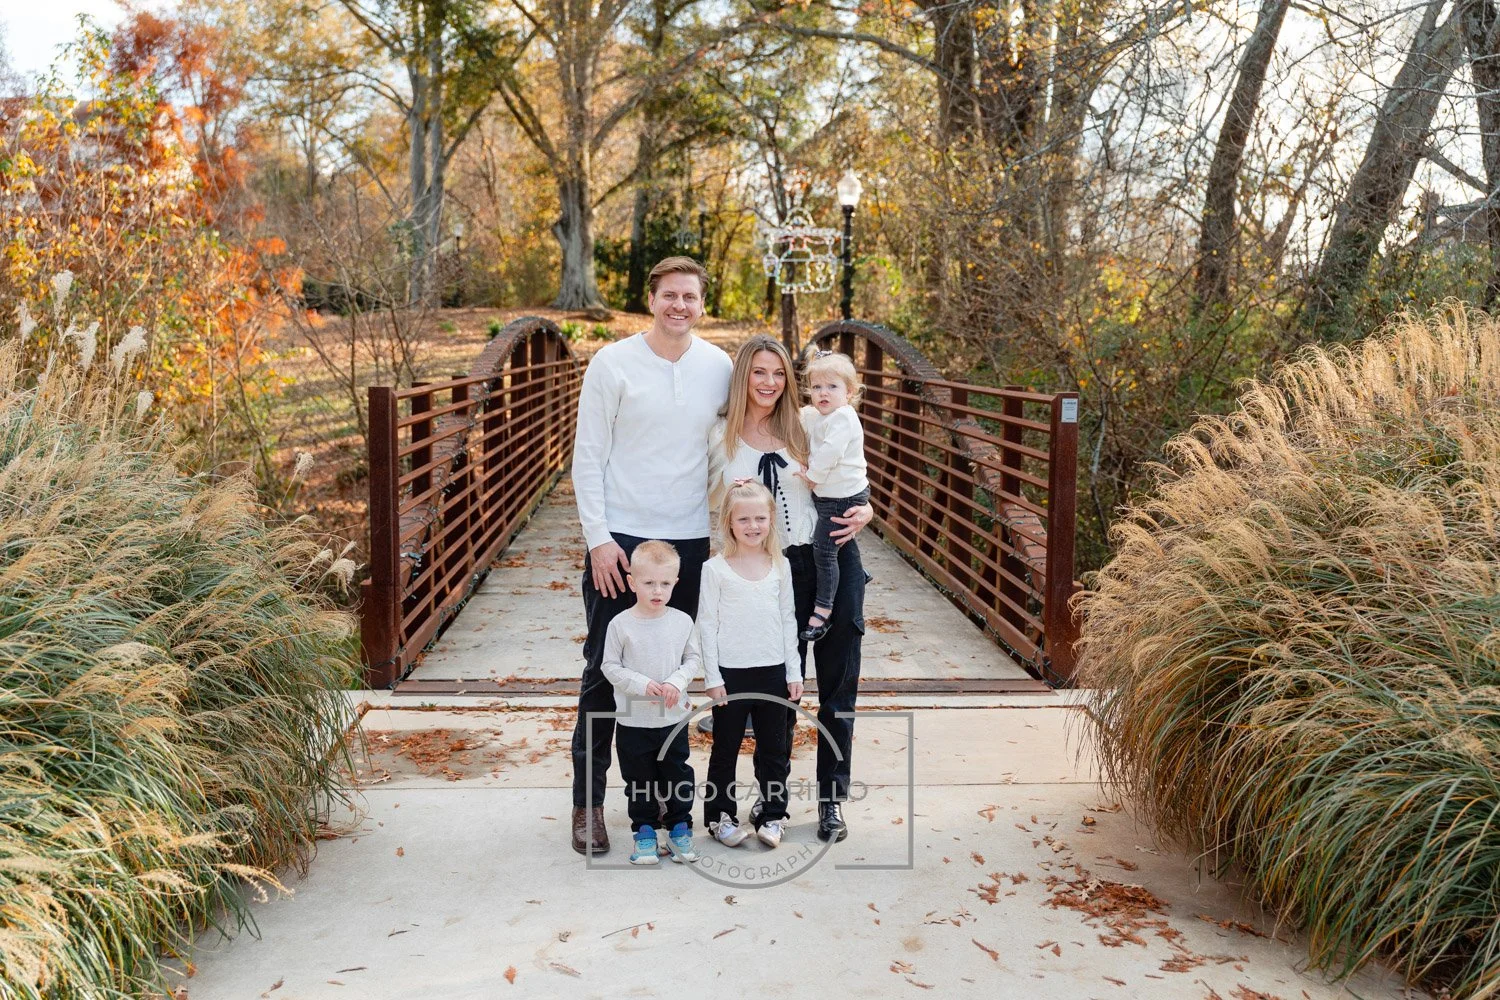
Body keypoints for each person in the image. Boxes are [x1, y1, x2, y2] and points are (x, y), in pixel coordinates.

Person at [569, 256, 732, 856]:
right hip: (622, 540)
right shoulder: (612, 364)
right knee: (601, 676)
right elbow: (587, 457)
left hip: (688, 539)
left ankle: (661, 802)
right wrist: (598, 540)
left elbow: (755, 430)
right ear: (652, 299)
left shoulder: (718, 367)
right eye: (669, 295)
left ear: (701, 303)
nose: (679, 306)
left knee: (673, 674)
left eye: (690, 296)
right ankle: (588, 807)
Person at [705, 336, 873, 843]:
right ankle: (763, 805)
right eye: (758, 372)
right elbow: (701, 504)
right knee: (770, 693)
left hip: (828, 558)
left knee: (839, 684)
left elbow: (849, 466)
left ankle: (831, 800)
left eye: (778, 373)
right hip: (763, 573)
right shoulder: (720, 436)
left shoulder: (809, 421)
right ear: (743, 377)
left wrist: (867, 509)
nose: (769, 383)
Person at [697, 480, 802, 849]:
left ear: (771, 520)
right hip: (730, 674)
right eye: (744, 519)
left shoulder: (780, 566)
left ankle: (773, 815)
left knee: (775, 749)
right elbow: (706, 625)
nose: (753, 526)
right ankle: (720, 817)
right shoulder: (715, 570)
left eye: (760, 517)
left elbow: (788, 619)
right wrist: (712, 677)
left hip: (773, 670)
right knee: (725, 748)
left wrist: (794, 671)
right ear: (729, 522)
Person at [598, 540, 701, 866]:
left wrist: (676, 681)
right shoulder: (621, 624)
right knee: (639, 780)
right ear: (632, 582)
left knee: (678, 775)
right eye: (648, 583)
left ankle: (680, 829)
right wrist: (642, 684)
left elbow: (693, 659)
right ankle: (644, 832)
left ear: (675, 583)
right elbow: (609, 666)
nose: (657, 590)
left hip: (672, 719)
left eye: (665, 583)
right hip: (634, 721)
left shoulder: (682, 621)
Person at [794, 352, 870, 642]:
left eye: (832, 387)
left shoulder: (843, 418)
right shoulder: (820, 414)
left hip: (841, 498)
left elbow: (829, 453)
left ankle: (823, 608)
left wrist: (812, 475)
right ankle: (856, 574)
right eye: (816, 387)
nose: (823, 393)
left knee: (823, 552)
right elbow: (803, 416)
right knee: (832, 546)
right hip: (837, 493)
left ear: (849, 392)